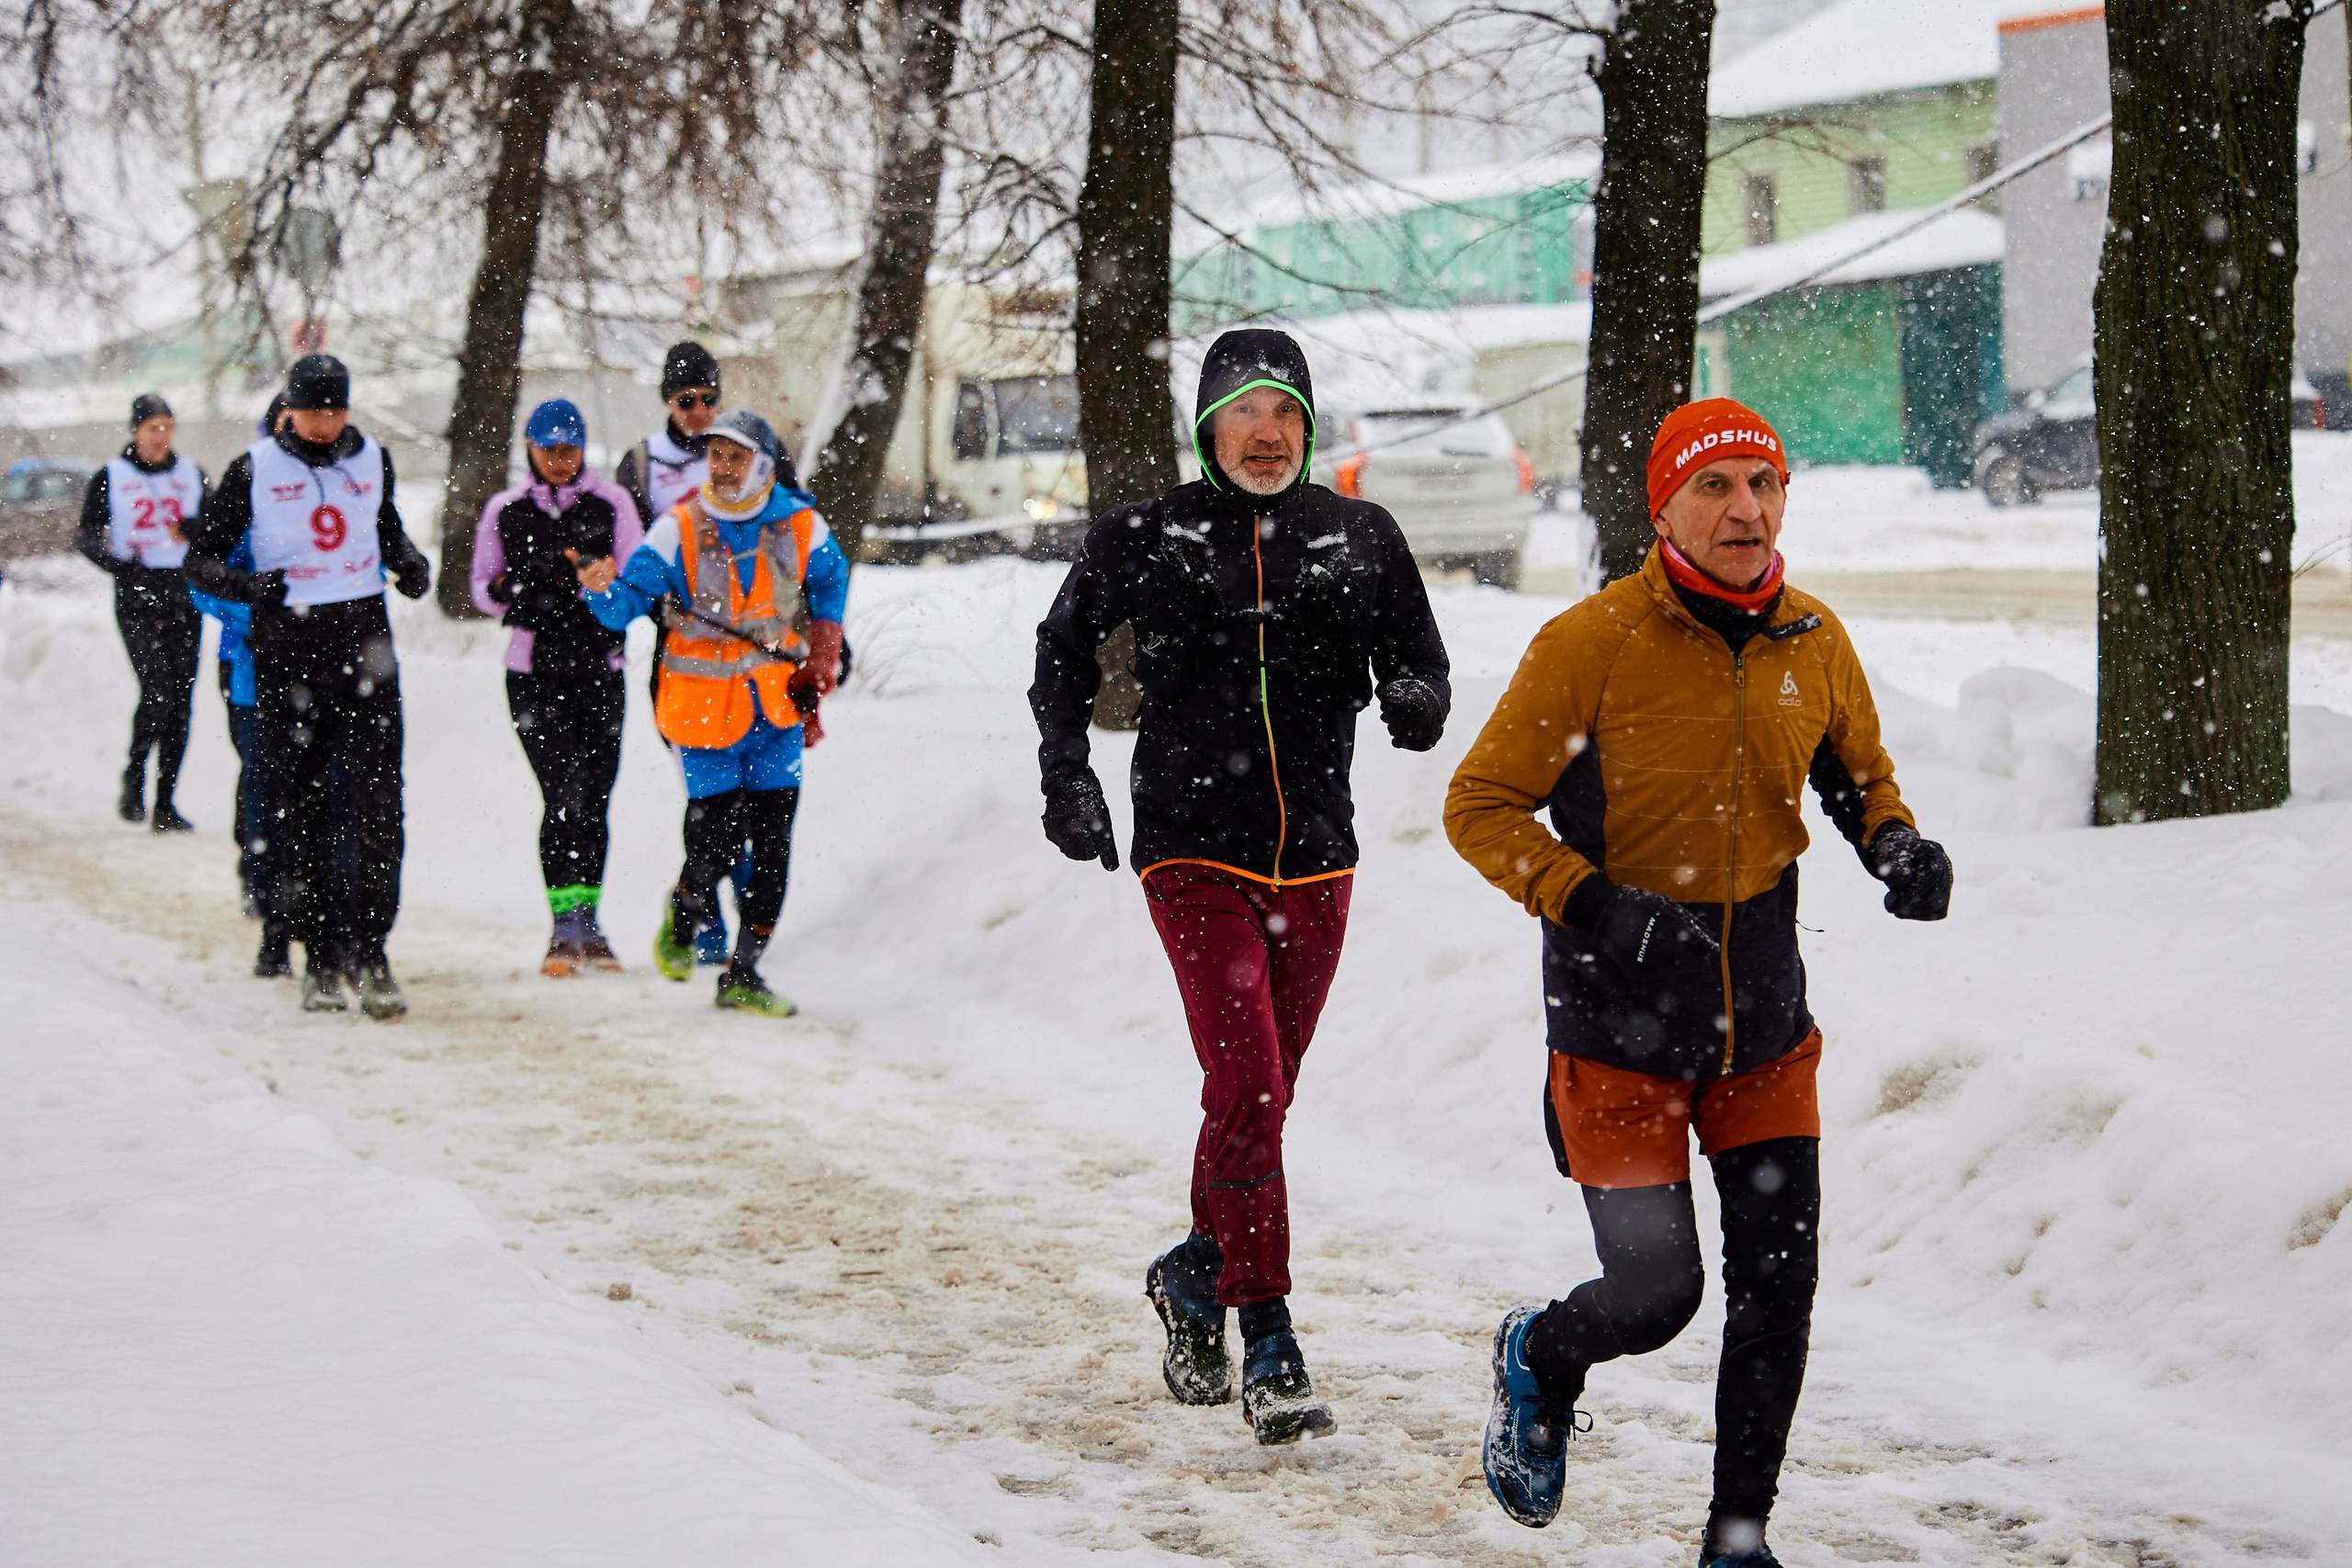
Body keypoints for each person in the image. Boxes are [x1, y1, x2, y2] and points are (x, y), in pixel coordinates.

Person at [1442, 399, 1954, 1566]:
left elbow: (1858, 777)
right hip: (1615, 1027)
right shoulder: (1590, 644)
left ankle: (1737, 1541)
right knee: (1657, 1294)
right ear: (1663, 504)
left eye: (1764, 486)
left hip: (1764, 1025)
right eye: (1717, 486)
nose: (1746, 510)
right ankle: (1545, 1352)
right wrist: (1600, 905)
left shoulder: (1812, 637)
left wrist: (1896, 849)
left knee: (1778, 1291)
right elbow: (1478, 807)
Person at [1029, 329, 1451, 1445]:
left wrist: (1414, 696)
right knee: (1251, 1083)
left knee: (1254, 1095)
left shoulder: (1358, 536)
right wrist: (1065, 775)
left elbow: (1419, 652)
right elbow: (1062, 650)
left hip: (1318, 854)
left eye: (1284, 414)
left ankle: (1195, 1267)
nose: (1265, 434)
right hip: (1190, 847)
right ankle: (1267, 1331)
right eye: (1243, 413)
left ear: (1306, 428)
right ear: (1209, 428)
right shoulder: (1145, 535)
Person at [184, 354, 433, 1019]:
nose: (324, 424)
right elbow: (199, 558)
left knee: (380, 808)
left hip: (366, 650)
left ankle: (372, 950)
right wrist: (249, 588)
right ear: (289, 410)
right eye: (312, 411)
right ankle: (319, 954)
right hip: (289, 657)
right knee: (304, 810)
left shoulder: (372, 458)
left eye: (335, 410)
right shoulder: (254, 468)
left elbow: (386, 531)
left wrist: (408, 563)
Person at [583, 408, 846, 1017]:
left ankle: (744, 972)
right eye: (715, 456)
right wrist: (599, 587)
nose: (722, 469)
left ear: (761, 464)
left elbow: (831, 579)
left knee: (774, 846)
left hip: (776, 710)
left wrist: (824, 650)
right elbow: (624, 606)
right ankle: (686, 906)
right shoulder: (679, 527)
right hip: (701, 713)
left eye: (735, 457)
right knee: (719, 842)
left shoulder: (799, 521)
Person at [471, 398, 645, 977]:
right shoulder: (507, 509)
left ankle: (590, 923)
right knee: (561, 793)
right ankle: (561, 926)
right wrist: (516, 583)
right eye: (549, 450)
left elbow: (640, 579)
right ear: (530, 449)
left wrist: (607, 578)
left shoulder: (611, 504)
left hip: (600, 668)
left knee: (595, 797)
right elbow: (479, 587)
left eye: (569, 449)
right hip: (534, 674)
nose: (560, 461)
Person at [615, 339, 740, 964]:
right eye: (687, 400)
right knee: (708, 793)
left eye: (710, 398)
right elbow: (627, 556)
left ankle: (747, 918)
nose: (699, 411)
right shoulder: (642, 464)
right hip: (683, 648)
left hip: (752, 646)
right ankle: (706, 915)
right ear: (668, 399)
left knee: (754, 795)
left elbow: (795, 535)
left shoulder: (751, 451)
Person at [77, 392, 208, 830]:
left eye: (168, 425)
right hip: (138, 596)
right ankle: (134, 776)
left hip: (184, 595)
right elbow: (87, 536)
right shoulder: (111, 476)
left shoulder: (192, 474)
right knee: (158, 692)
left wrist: (196, 529)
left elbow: (217, 528)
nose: (162, 435)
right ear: (135, 430)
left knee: (182, 703)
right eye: (153, 426)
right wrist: (119, 564)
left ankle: (165, 803)